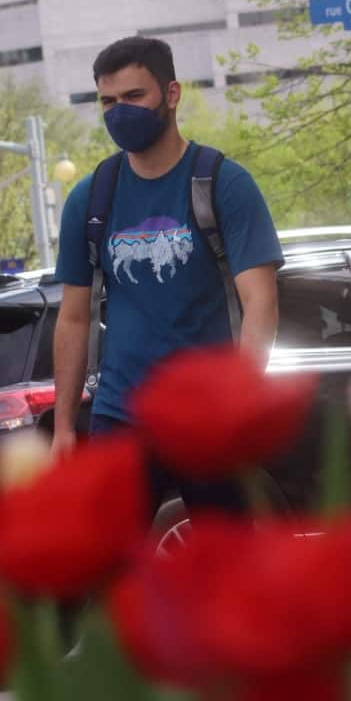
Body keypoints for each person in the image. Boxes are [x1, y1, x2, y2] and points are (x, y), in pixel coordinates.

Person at [51, 35, 283, 517]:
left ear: (171, 94)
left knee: (228, 572)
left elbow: (260, 301)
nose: (120, 112)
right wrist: (64, 426)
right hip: (121, 419)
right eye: (108, 102)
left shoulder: (223, 183)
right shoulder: (89, 199)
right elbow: (73, 318)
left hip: (210, 418)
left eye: (134, 96)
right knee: (113, 579)